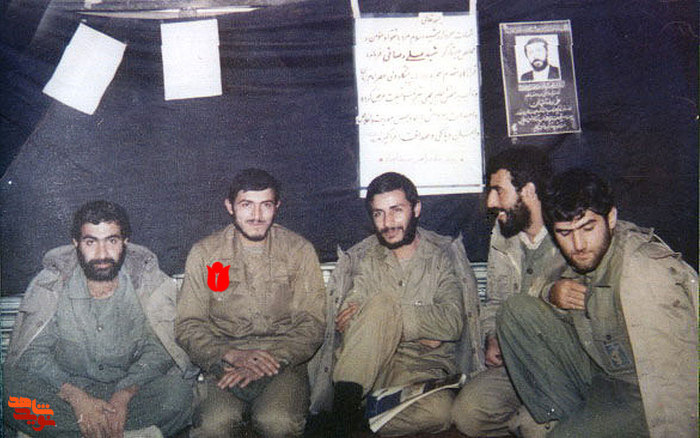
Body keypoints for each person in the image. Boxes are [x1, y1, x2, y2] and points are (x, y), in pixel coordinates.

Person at [497, 169, 698, 437]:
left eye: (588, 228)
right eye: (564, 233)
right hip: (602, 376)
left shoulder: (644, 273)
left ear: (611, 218)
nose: (578, 244)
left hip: (647, 394)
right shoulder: (580, 253)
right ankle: (570, 423)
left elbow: (678, 382)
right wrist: (550, 293)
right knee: (515, 310)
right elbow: (533, 291)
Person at [3, 200, 195, 438]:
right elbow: (33, 353)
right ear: (76, 243)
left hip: (129, 395)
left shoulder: (149, 285)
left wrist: (125, 393)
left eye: (111, 241)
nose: (102, 254)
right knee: (8, 389)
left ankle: (79, 432)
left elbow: (158, 350)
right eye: (91, 242)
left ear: (125, 242)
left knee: (179, 393)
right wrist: (75, 396)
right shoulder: (51, 285)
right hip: (64, 393)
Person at [307, 172, 475, 437]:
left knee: (440, 413)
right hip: (371, 369)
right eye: (379, 214)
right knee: (381, 304)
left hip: (421, 371)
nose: (387, 223)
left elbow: (452, 322)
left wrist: (387, 321)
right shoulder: (365, 257)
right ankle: (346, 410)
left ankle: (352, 423)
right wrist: (419, 327)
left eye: (396, 211)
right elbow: (347, 319)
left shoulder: (441, 256)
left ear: (416, 209)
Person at [175, 168, 325, 438]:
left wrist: (273, 359)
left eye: (265, 205)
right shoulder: (206, 253)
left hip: (282, 360)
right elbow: (189, 323)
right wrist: (229, 355)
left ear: (277, 207)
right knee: (213, 425)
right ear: (229, 206)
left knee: (277, 422)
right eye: (246, 205)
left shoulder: (299, 251)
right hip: (225, 361)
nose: (257, 216)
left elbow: (312, 322)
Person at [452, 147, 567, 437]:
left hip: (561, 367)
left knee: (533, 426)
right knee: (468, 414)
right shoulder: (503, 234)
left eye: (498, 191)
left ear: (528, 191)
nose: (491, 202)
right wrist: (493, 337)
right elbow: (495, 301)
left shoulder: (570, 236)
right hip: (516, 365)